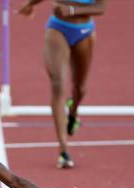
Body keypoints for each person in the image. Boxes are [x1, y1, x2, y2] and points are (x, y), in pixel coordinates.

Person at [19, 0, 107, 169]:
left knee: (80, 89)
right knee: (58, 84)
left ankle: (72, 112)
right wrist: (30, 4)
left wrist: (72, 9)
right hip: (58, 28)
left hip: (84, 31)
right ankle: (63, 149)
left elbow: (101, 8)